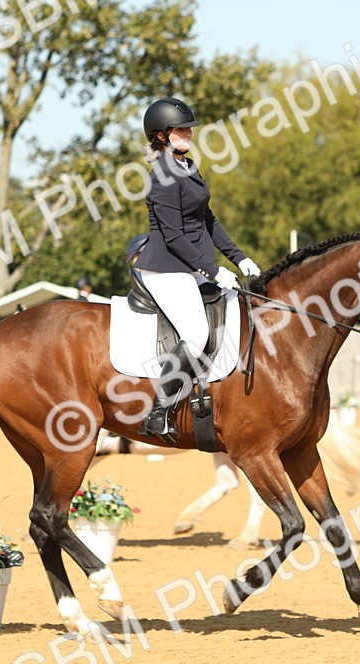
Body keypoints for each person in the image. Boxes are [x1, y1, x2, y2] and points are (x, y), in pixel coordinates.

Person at [134, 97, 261, 441]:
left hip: (191, 266)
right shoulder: (161, 174)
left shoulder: (188, 166)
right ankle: (158, 412)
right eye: (181, 129)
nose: (188, 133)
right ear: (161, 135)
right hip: (165, 268)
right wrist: (212, 270)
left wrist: (239, 257)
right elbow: (174, 236)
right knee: (196, 333)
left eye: (188, 128)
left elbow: (208, 220)